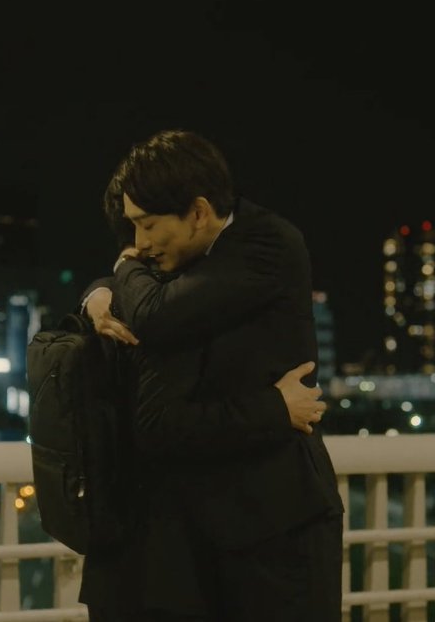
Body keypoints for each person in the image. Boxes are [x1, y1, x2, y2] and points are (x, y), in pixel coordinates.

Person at [85, 130, 344, 621]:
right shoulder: (184, 253)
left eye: (147, 226)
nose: (138, 244)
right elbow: (144, 299)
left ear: (199, 212)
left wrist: (118, 269)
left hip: (279, 521)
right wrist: (97, 293)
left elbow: (155, 314)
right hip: (200, 534)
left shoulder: (266, 243)